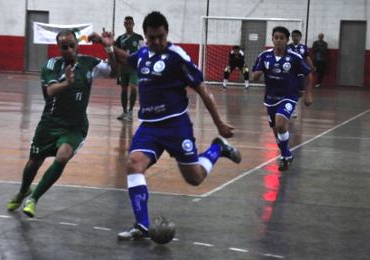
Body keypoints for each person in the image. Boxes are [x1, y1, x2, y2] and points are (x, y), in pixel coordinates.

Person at [101, 11, 242, 240]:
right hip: (149, 127)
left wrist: (218, 122)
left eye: (161, 36)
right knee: (133, 164)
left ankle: (218, 148)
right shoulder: (144, 53)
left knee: (194, 178)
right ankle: (142, 225)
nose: (157, 42)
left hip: (176, 126)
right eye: (152, 37)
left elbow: (202, 88)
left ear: (166, 33)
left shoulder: (177, 56)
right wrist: (108, 46)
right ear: (145, 37)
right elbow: (127, 59)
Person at [6, 29, 118, 218]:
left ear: (77, 45)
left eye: (72, 45)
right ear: (58, 48)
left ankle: (33, 198)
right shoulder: (51, 65)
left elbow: (114, 72)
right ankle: (23, 190)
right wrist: (66, 83)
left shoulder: (88, 63)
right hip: (50, 123)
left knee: (63, 157)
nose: (69, 50)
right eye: (64, 47)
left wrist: (108, 48)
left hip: (75, 126)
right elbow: (50, 91)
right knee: (34, 163)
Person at [253, 26, 313, 172]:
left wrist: (308, 94)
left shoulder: (294, 58)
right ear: (272, 39)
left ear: (287, 40)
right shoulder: (265, 55)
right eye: (276, 38)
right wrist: (256, 75)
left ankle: (285, 155)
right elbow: (257, 71)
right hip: (271, 97)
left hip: (289, 96)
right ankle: (286, 154)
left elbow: (309, 74)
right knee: (275, 131)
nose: (279, 40)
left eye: (282, 38)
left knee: (281, 125)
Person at [113, 16, 145, 121]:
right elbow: (115, 51)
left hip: (134, 67)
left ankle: (131, 110)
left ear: (133, 24)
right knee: (124, 88)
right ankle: (124, 111)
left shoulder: (138, 37)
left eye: (130, 23)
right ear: (124, 25)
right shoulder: (120, 38)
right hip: (123, 68)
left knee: (134, 87)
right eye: (126, 24)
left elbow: (144, 50)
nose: (128, 26)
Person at [287, 30, 315, 117]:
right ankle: (292, 109)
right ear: (291, 37)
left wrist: (311, 66)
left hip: (301, 72)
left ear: (300, 37)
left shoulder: (303, 47)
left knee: (300, 93)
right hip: (291, 72)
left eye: (297, 36)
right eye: (294, 36)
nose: (295, 37)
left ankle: (292, 105)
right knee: (291, 90)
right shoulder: (288, 47)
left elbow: (307, 58)